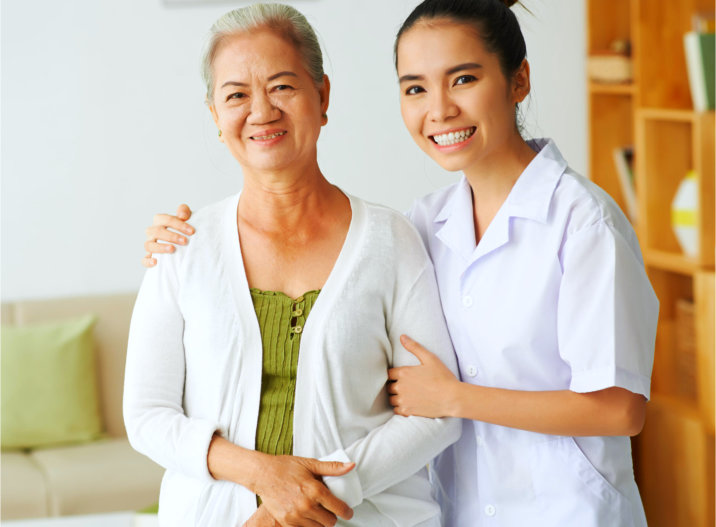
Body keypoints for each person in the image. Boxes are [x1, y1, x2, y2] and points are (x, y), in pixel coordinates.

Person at [143, 1, 658, 526]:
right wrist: (177, 248)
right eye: (415, 88)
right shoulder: (428, 223)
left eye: (462, 79)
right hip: (465, 512)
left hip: (567, 511)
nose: (439, 109)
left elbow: (620, 409)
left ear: (518, 79)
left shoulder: (583, 222)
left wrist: (454, 400)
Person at [124, 4, 460, 527]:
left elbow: (436, 412)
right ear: (215, 115)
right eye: (236, 95)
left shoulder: (391, 241)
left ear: (322, 96)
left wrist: (313, 495)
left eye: (282, 86)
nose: (262, 111)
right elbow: (147, 417)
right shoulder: (181, 248)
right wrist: (262, 476)